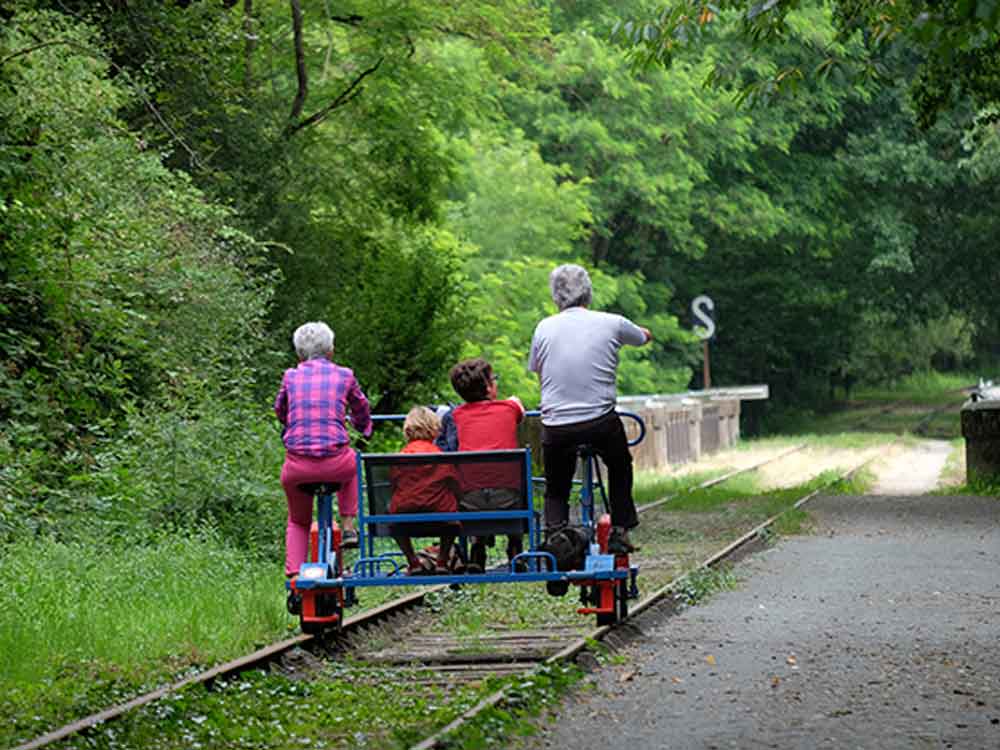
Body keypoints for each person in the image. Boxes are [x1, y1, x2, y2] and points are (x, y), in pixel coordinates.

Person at [528, 264, 652, 555]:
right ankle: (620, 530)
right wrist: (645, 334)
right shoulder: (613, 322)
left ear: (556, 298)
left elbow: (539, 370)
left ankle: (556, 533)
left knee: (556, 484)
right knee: (620, 465)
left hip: (557, 425)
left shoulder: (544, 327)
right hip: (600, 422)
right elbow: (641, 337)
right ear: (589, 293)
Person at [275, 321, 371, 578]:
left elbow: (280, 410)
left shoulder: (290, 376)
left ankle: (295, 575)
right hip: (335, 464)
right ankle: (349, 526)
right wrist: (362, 427)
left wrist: (290, 424)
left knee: (298, 520)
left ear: (299, 355)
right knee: (351, 462)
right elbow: (361, 407)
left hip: (298, 467)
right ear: (331, 351)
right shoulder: (345, 375)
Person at [436, 358, 526, 570]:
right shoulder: (509, 408)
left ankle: (477, 543)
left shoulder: (455, 415)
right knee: (514, 480)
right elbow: (518, 406)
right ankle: (515, 544)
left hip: (469, 502)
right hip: (510, 500)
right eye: (494, 379)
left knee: (470, 480)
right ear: (487, 387)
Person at [390, 406, 460, 575]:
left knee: (394, 513)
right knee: (452, 514)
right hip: (442, 518)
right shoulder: (441, 456)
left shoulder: (400, 456)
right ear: (435, 430)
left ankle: (413, 562)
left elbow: (393, 481)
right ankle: (442, 561)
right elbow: (454, 482)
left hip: (404, 518)